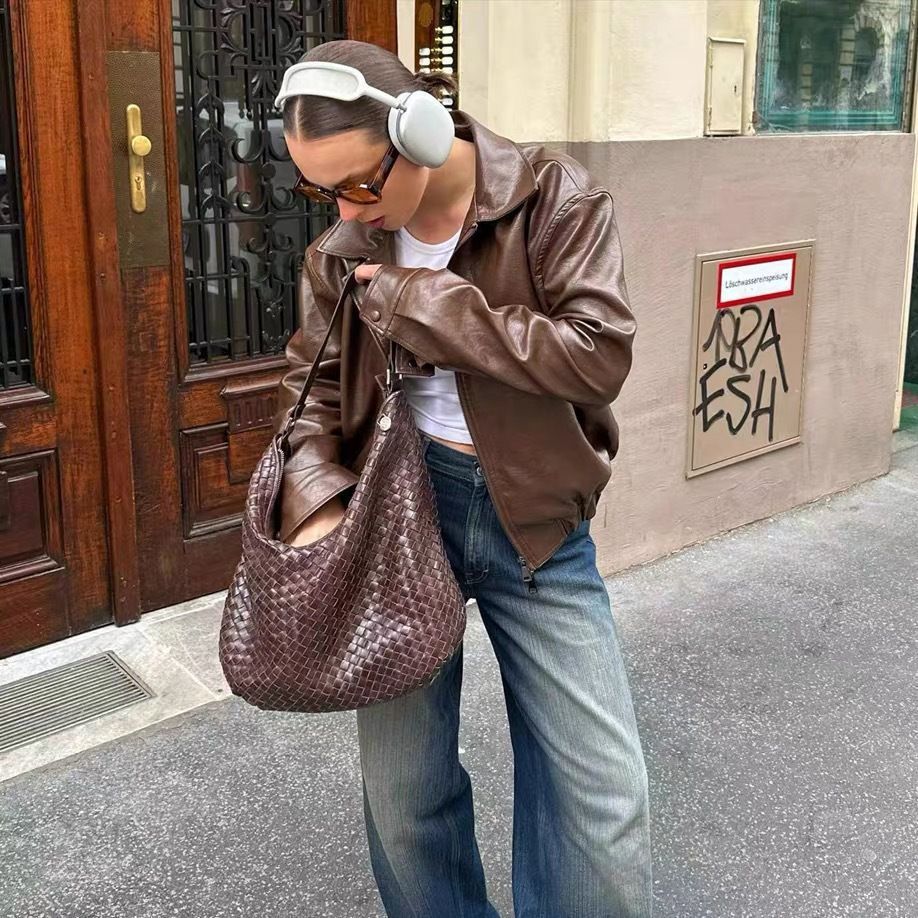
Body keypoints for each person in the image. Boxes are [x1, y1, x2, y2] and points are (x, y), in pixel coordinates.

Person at [274, 39, 653, 918]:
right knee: (404, 799)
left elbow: (596, 356)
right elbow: (310, 388)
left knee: (602, 800)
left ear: (422, 131)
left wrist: (421, 301)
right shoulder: (345, 246)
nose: (346, 210)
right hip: (398, 523)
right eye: (324, 192)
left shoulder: (555, 199)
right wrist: (316, 497)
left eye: (359, 184)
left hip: (536, 526)